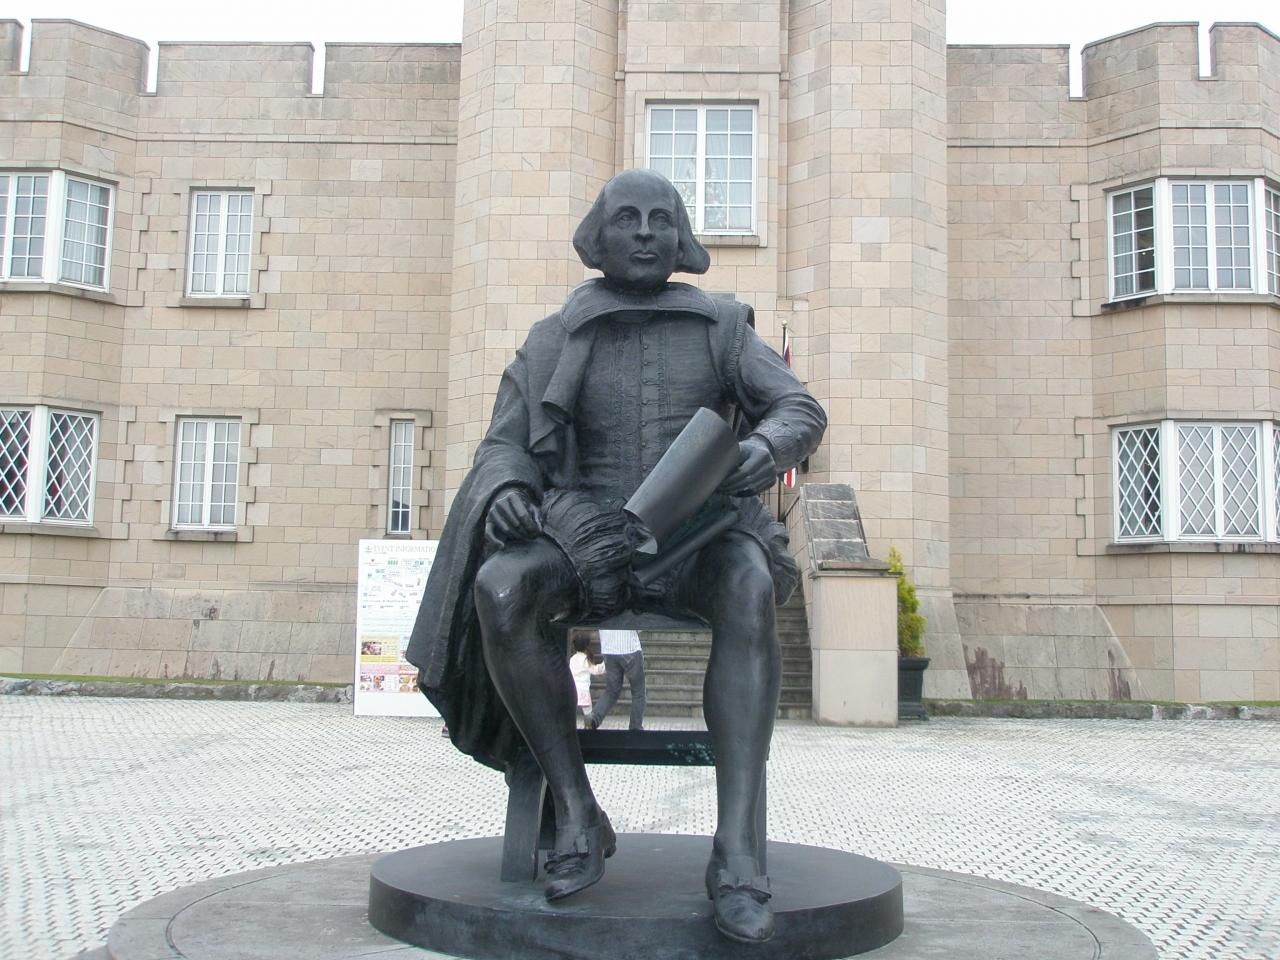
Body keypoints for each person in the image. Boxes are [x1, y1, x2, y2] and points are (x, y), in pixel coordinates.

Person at [407, 168, 826, 943]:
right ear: (597, 238)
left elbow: (798, 406)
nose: (643, 232)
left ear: (682, 238)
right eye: (626, 218)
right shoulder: (553, 337)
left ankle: (736, 854)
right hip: (585, 538)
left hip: (698, 538)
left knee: (747, 583)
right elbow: (503, 445)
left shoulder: (722, 327)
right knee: (503, 587)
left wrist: (762, 450)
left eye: (660, 219)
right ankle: (576, 811)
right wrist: (507, 489)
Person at [585, 628, 645, 731]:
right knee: (638, 691)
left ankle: (595, 718)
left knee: (611, 691)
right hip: (629, 646)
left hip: (608, 648)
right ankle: (635, 727)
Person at [568, 630, 607, 728]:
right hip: (583, 690)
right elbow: (595, 670)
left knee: (572, 712)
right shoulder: (585, 659)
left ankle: (571, 728)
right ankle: (588, 728)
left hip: (572, 689)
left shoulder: (572, 659)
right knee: (588, 712)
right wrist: (605, 664)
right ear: (587, 645)